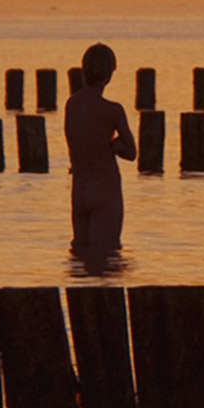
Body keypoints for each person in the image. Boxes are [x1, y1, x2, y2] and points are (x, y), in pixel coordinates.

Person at [65, 43, 137, 257]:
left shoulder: (72, 105)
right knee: (106, 257)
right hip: (105, 189)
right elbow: (132, 153)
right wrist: (114, 146)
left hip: (79, 189)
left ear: (83, 71)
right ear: (108, 76)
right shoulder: (112, 111)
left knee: (80, 256)